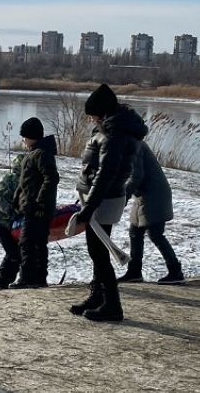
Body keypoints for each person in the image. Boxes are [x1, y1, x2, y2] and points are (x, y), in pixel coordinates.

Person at [71, 84, 148, 321]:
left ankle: (112, 304)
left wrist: (90, 205)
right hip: (100, 198)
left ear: (103, 111)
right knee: (98, 251)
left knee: (98, 252)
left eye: (93, 114)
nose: (91, 119)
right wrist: (85, 196)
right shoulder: (114, 128)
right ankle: (98, 296)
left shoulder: (114, 134)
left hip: (103, 200)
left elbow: (106, 173)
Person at [117, 141, 184, 285]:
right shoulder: (130, 142)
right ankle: (134, 272)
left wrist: (122, 198)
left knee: (155, 234)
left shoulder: (134, 144)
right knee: (135, 232)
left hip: (154, 195)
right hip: (143, 195)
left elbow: (136, 177)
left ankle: (175, 271)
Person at [9, 117, 59, 289]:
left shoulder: (42, 154)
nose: (22, 139)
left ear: (31, 136)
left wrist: (40, 201)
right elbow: (25, 183)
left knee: (27, 242)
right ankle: (39, 278)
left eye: (24, 136)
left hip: (37, 208)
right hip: (31, 206)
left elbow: (51, 178)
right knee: (38, 242)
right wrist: (16, 200)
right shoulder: (34, 153)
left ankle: (27, 278)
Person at [0, 153, 24, 290]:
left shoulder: (24, 182)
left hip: (10, 224)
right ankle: (0, 283)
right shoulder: (9, 179)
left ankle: (6, 282)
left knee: (17, 253)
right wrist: (12, 212)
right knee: (13, 252)